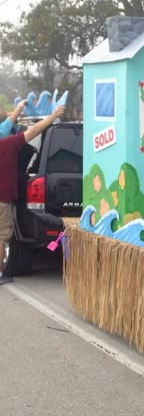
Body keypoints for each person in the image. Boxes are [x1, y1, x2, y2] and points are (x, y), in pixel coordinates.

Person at [0, 104, 65, 284]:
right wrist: (52, 116)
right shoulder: (9, 143)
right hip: (2, 199)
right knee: (1, 237)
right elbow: (34, 131)